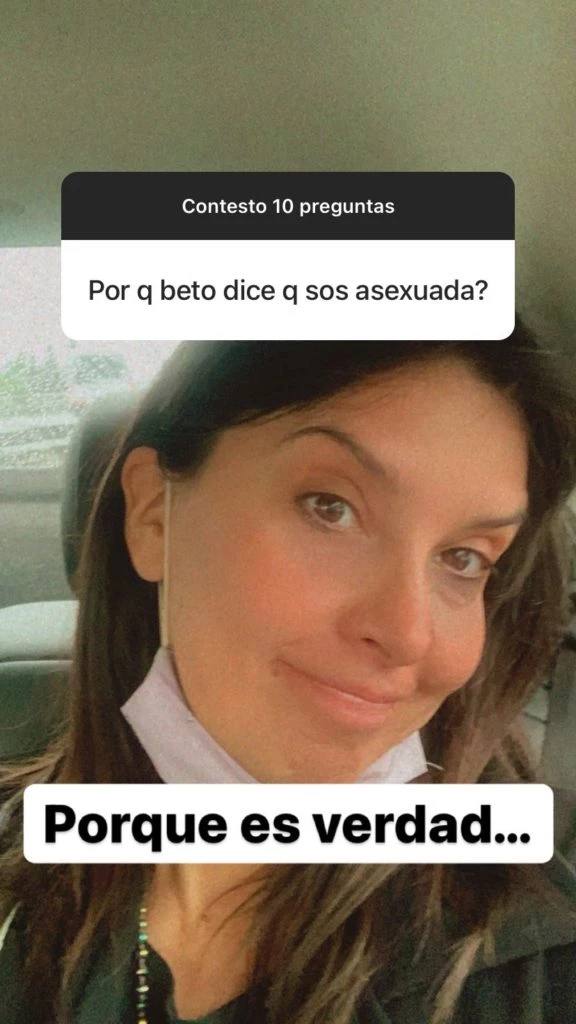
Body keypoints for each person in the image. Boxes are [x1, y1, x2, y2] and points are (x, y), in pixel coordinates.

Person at [1, 324, 576, 1024]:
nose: (407, 635)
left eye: (464, 558)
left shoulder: (537, 960)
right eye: (330, 507)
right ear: (154, 514)